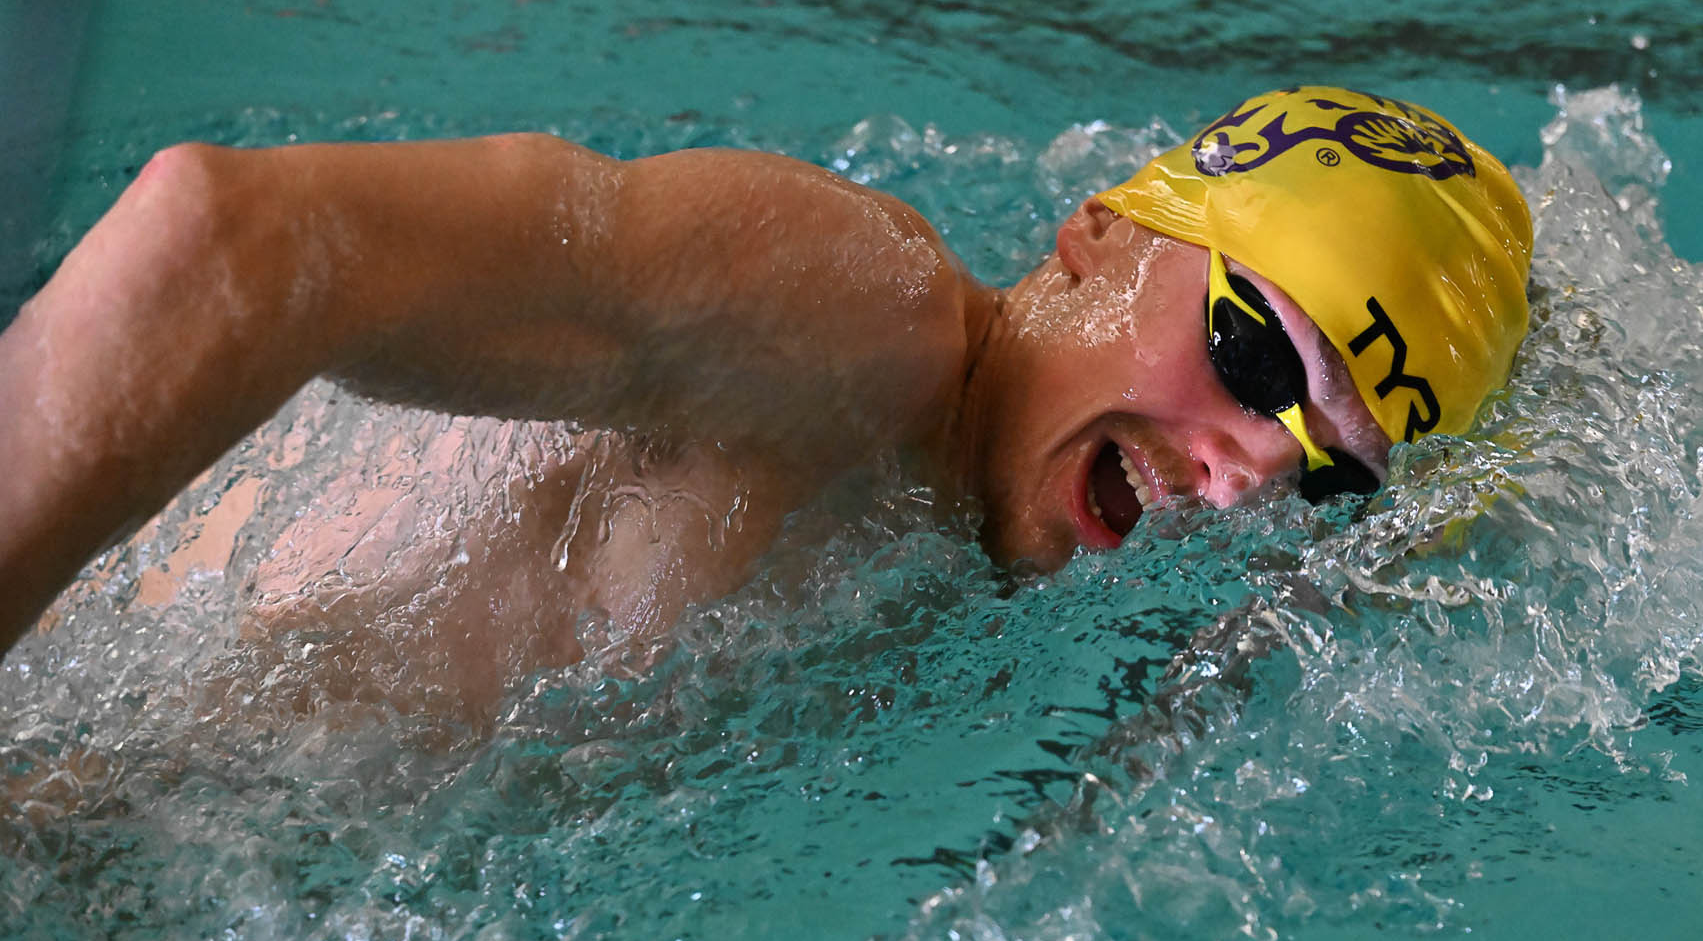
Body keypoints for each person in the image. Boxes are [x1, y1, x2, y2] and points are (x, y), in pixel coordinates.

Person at [0, 86, 1532, 704]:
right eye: (1257, 358)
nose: (1254, 471)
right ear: (1100, 235)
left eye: (1328, 466)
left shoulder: (958, 551)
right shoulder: (856, 319)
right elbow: (233, 242)